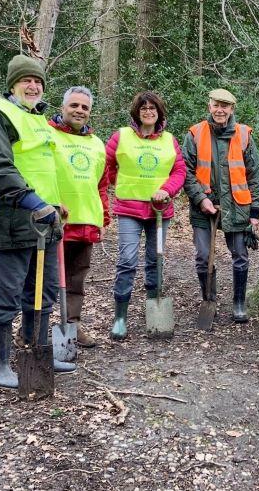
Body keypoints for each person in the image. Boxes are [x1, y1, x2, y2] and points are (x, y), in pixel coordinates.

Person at [0, 54, 76, 388]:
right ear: (12, 84)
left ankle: (36, 351)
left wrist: (54, 203)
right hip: (9, 219)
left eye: (37, 81)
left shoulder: (37, 118)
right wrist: (35, 202)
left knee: (42, 292)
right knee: (6, 295)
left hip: (44, 222)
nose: (33, 86)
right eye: (25, 80)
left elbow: (42, 167)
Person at [105, 91, 186, 339]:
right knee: (127, 260)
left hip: (160, 210)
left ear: (159, 113)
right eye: (144, 108)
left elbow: (179, 171)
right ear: (137, 112)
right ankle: (120, 317)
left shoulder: (169, 140)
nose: (148, 112)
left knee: (155, 259)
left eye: (153, 108)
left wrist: (166, 190)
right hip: (129, 210)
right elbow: (106, 165)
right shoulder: (121, 136)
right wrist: (119, 184)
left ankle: (154, 310)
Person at [182, 89, 259, 323]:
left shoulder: (244, 135)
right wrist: (201, 199)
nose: (220, 110)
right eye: (216, 105)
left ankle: (239, 303)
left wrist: (255, 211)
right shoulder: (195, 133)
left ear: (231, 109)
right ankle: (209, 300)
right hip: (203, 206)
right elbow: (185, 171)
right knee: (203, 256)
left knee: (240, 255)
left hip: (237, 207)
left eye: (224, 106)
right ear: (209, 106)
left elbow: (255, 175)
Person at [49, 86, 109, 349]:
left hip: (86, 220)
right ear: (63, 107)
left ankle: (71, 326)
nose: (79, 111)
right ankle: (32, 330)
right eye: (74, 105)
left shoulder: (97, 144)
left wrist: (104, 218)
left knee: (76, 279)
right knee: (44, 280)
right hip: (52, 220)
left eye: (85, 107)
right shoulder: (47, 135)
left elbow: (102, 185)